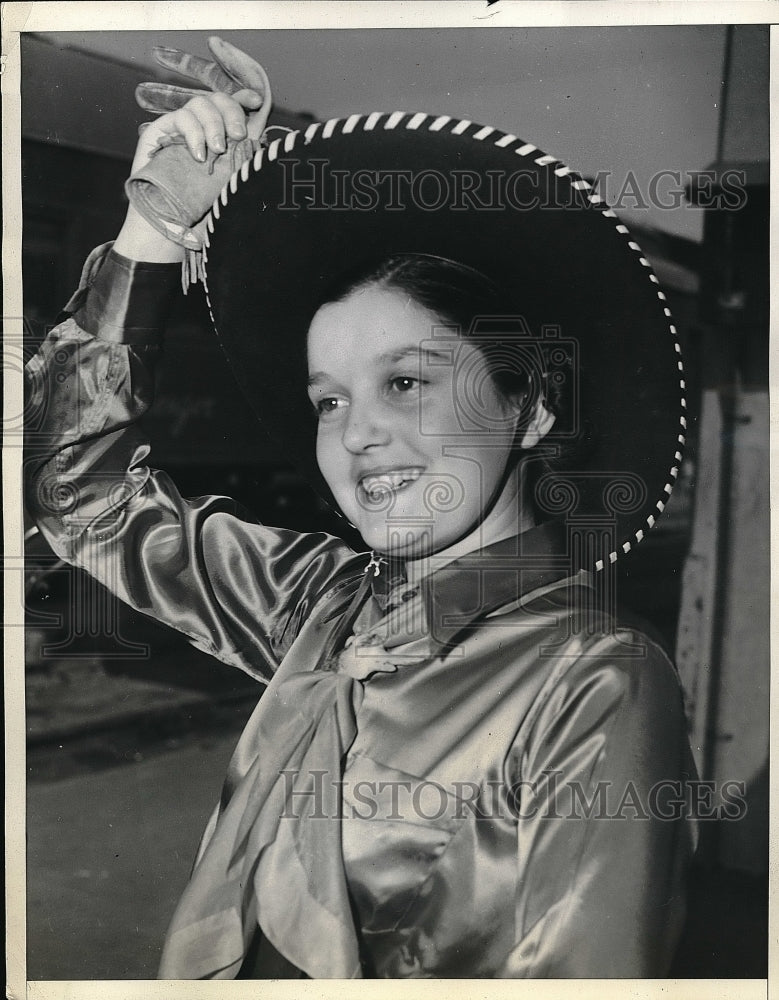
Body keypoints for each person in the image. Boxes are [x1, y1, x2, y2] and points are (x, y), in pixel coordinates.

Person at [25, 38, 697, 979]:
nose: (357, 435)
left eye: (408, 383)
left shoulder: (597, 684)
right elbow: (78, 495)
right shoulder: (319, 605)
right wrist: (148, 237)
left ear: (533, 405)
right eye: (329, 400)